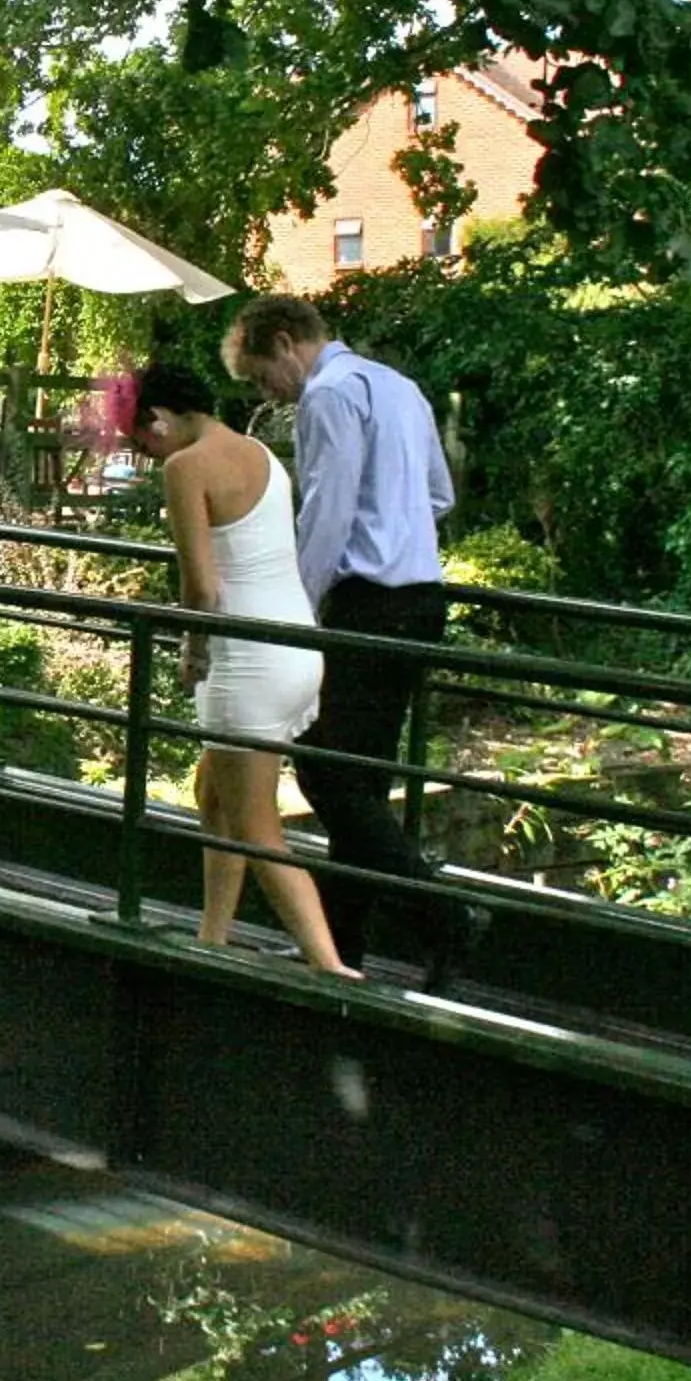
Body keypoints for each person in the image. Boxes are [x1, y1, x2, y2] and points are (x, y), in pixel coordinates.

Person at [226, 292, 477, 988]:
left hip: (367, 607)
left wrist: (292, 612)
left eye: (257, 376)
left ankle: (442, 914)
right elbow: (438, 494)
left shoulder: (328, 397)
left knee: (326, 771)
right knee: (360, 776)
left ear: (282, 343)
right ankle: (340, 950)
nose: (265, 394)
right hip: (422, 600)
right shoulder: (398, 386)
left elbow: (326, 515)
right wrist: (395, 533)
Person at [130, 363, 356, 978]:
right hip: (296, 648)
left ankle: (331, 964)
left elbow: (200, 584)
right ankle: (213, 935)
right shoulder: (258, 452)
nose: (147, 456)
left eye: (142, 441)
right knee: (214, 793)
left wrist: (192, 649)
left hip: (245, 661)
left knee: (257, 828)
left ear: (161, 418)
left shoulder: (186, 467)